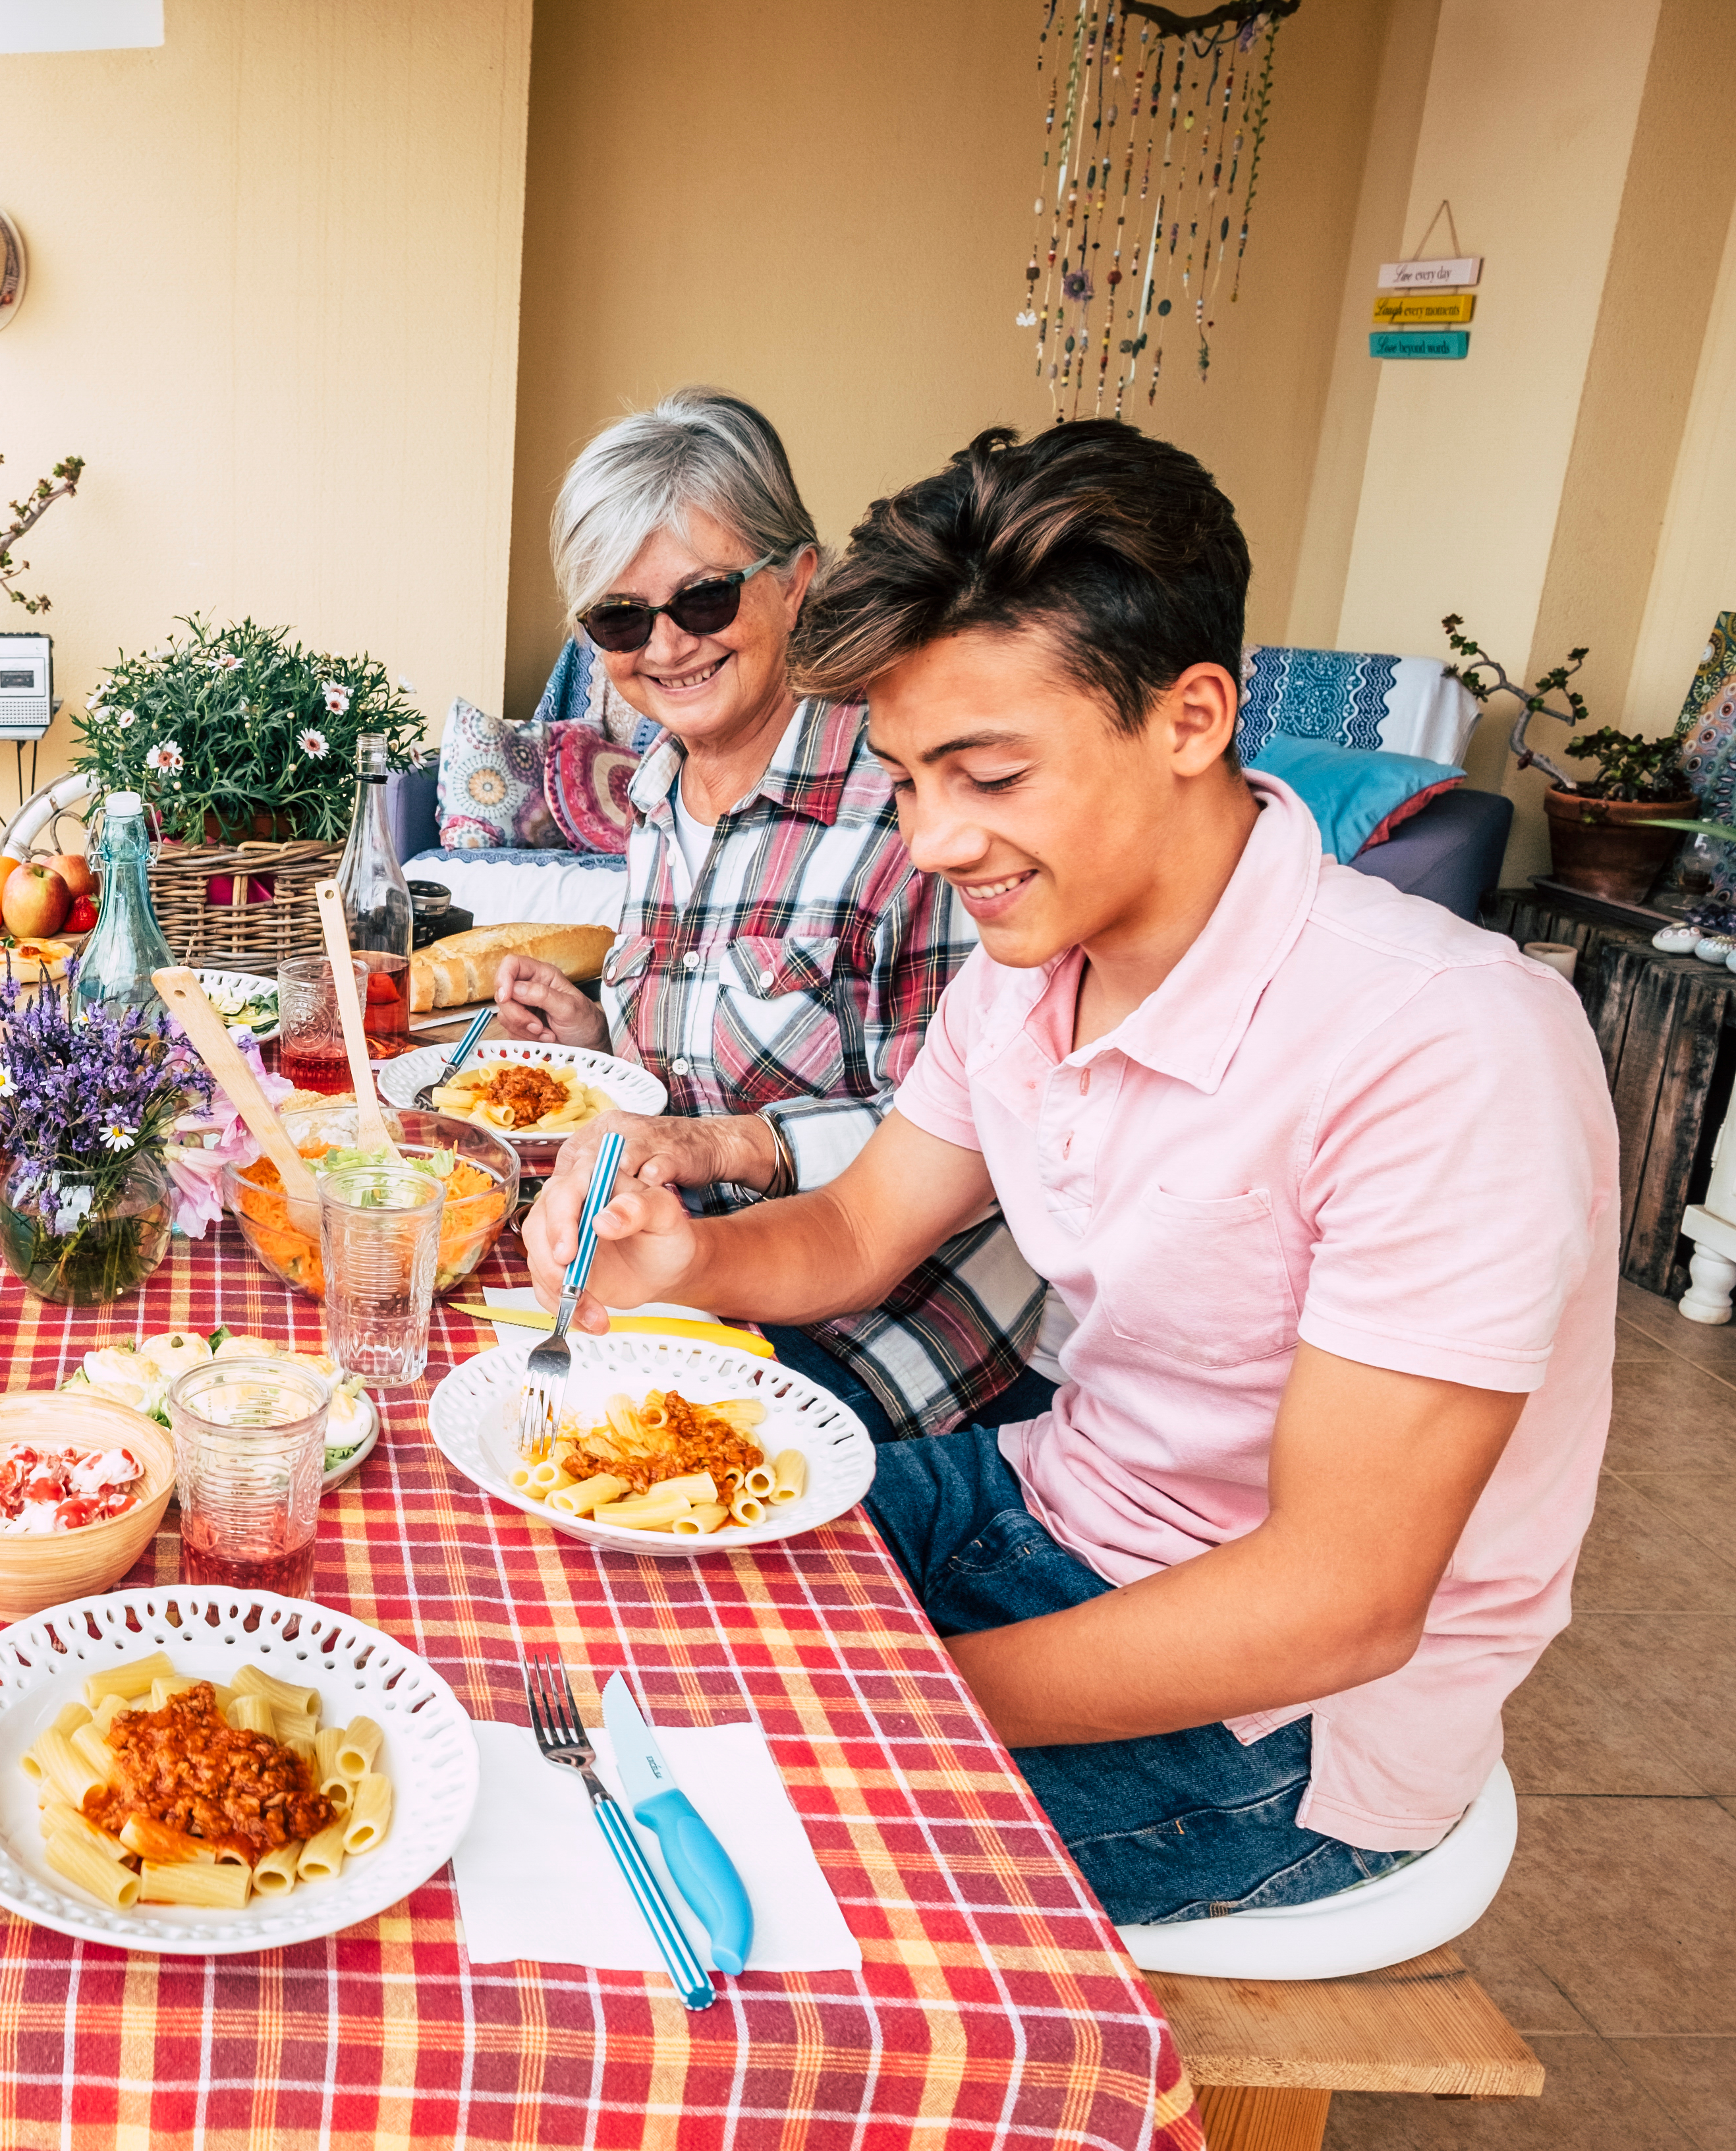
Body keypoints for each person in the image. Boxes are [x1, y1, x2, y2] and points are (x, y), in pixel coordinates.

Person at [526, 418, 1616, 1926]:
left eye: (987, 775)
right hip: (1040, 1499)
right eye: (907, 781)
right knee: (585, 1608)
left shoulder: (1445, 1044)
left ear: (1191, 719)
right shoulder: (1030, 971)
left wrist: (867, 1696)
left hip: (1283, 1722)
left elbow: (1341, 1602)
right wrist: (684, 1257)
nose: (933, 841)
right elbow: (855, 1229)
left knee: (696, 1831)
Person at [491, 389, 1050, 1441]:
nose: (666, 646)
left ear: (798, 583)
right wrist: (594, 1040)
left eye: (703, 600)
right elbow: (692, 1071)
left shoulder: (908, 805)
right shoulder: (659, 794)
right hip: (697, 1285)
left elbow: (977, 1138)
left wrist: (722, 1144)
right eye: (620, 617)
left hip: (886, 1342)